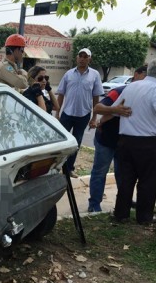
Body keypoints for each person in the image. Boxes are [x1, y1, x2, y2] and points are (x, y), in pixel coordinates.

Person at [87, 65, 147, 213]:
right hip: (106, 140)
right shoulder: (119, 91)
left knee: (124, 174)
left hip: (124, 143)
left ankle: (124, 202)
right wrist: (115, 110)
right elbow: (98, 108)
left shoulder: (146, 95)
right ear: (136, 75)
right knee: (100, 172)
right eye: (144, 76)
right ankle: (94, 204)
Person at [112, 59, 156, 225]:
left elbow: (116, 109)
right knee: (148, 181)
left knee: (126, 179)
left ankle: (121, 214)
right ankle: (143, 217)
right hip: (149, 142)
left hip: (126, 140)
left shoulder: (132, 86)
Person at [56, 48, 104, 178]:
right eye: (80, 56)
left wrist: (94, 117)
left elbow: (96, 98)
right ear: (77, 58)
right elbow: (61, 94)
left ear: (89, 59)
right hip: (67, 113)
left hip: (83, 115)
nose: (82, 58)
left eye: (85, 56)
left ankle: (69, 169)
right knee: (61, 141)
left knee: (76, 143)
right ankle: (56, 167)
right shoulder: (68, 74)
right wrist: (57, 113)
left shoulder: (94, 75)